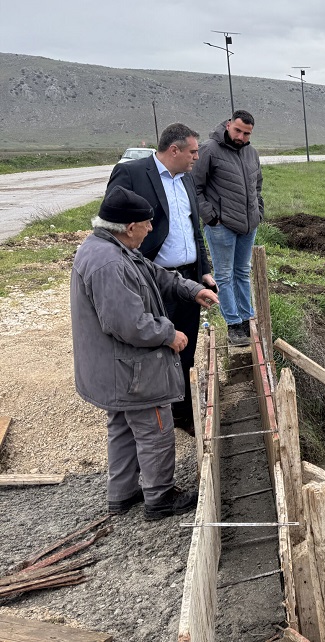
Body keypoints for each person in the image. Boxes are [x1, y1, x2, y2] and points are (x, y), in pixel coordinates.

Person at [70, 187, 219, 519]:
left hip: (113, 368)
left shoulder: (109, 247)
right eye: (147, 223)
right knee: (156, 426)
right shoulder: (109, 263)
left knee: (122, 426)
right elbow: (128, 324)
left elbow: (154, 274)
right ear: (129, 226)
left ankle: (123, 493)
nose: (151, 229)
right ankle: (160, 496)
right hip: (129, 371)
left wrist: (192, 289)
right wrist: (169, 335)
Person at [106, 122, 216, 433]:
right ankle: (154, 412)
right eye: (193, 151)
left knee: (186, 346)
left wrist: (204, 269)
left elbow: (194, 229)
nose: (197, 157)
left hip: (188, 279)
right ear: (174, 150)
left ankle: (182, 413)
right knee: (157, 348)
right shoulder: (132, 173)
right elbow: (112, 226)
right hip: (152, 277)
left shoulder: (187, 178)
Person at [193, 110, 264, 347]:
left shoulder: (251, 153)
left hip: (248, 225)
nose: (241, 137)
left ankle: (247, 319)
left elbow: (257, 186)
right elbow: (195, 187)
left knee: (242, 272)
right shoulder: (209, 149)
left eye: (247, 134)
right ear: (228, 125)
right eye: (238, 131)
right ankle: (234, 325)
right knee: (224, 276)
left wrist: (258, 212)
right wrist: (211, 218)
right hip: (221, 226)